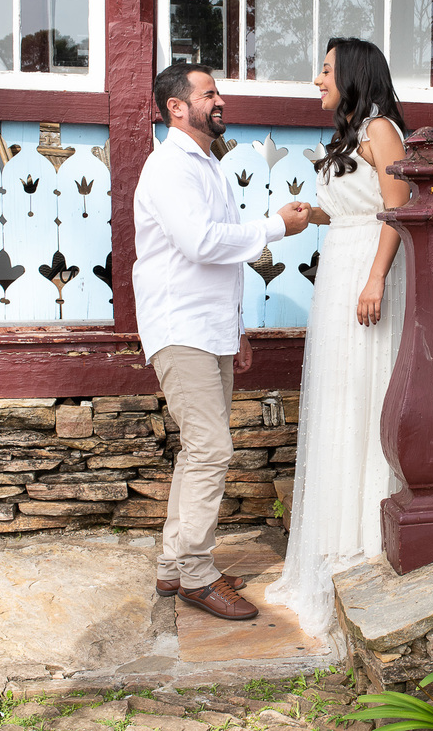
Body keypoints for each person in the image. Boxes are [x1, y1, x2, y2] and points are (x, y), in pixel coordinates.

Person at [133, 62, 310, 621]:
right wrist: (276, 225)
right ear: (176, 107)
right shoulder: (167, 168)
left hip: (209, 329)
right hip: (179, 327)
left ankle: (173, 565)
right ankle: (196, 575)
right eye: (209, 93)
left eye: (218, 92)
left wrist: (235, 330)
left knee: (197, 451)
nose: (220, 100)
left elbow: (219, 264)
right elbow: (202, 243)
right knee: (211, 450)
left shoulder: (207, 165)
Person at [264, 38, 410, 639]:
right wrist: (317, 214)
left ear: (351, 75)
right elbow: (355, 205)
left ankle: (366, 538)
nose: (316, 80)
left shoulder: (382, 131)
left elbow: (397, 211)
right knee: (337, 400)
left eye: (324, 70)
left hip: (368, 275)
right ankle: (331, 540)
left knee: (365, 393)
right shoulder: (347, 138)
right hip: (338, 268)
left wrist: (375, 278)